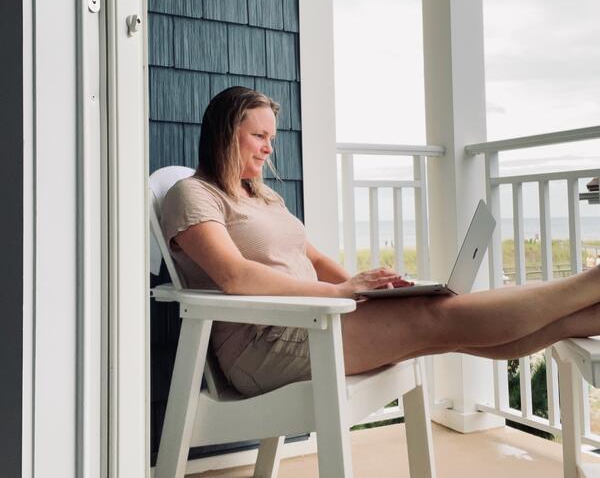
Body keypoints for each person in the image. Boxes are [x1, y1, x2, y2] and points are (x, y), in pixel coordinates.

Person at [161, 86, 600, 397]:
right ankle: (592, 282)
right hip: (264, 347)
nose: (268, 149)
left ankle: (585, 314)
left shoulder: (260, 193)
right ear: (224, 134)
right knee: (433, 314)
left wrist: (362, 289)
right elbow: (234, 276)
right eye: (259, 136)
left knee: (444, 323)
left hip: (315, 321)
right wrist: (339, 293)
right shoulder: (193, 195)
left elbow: (310, 256)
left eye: (271, 138)